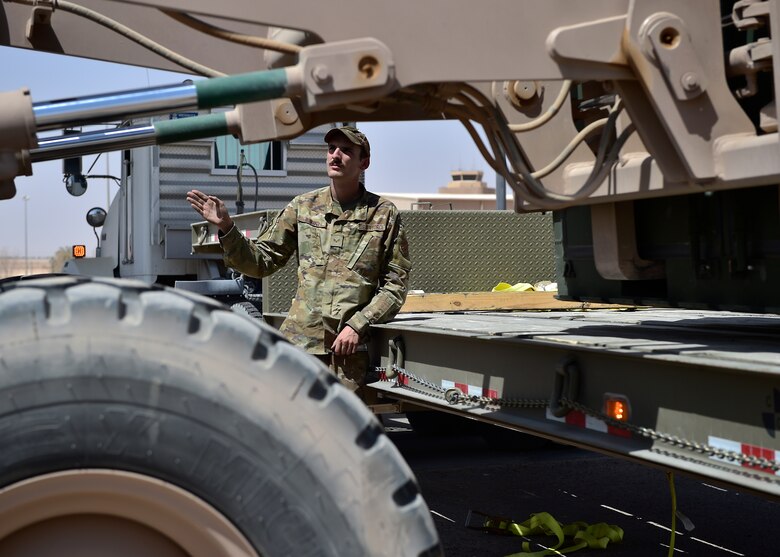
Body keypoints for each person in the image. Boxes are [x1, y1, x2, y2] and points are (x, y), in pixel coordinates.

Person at [186, 125, 411, 400]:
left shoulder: (383, 214)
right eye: (331, 149)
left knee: (342, 425)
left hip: (349, 354)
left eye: (346, 151)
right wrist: (227, 228)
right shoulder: (303, 207)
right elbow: (262, 261)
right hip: (301, 346)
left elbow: (395, 285)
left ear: (364, 163)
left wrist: (358, 324)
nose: (335, 155)